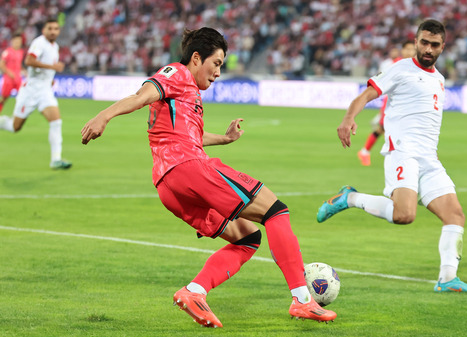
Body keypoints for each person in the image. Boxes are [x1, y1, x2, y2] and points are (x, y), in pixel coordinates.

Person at [81, 27, 336, 328]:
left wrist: (225, 139)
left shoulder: (187, 93)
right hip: (189, 169)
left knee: (247, 237)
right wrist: (104, 116)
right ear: (196, 58)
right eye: (216, 64)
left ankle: (194, 292)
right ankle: (303, 300)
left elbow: (188, 136)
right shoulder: (175, 73)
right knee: (276, 211)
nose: (217, 73)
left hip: (169, 185)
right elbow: (141, 95)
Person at [317, 19, 467, 293]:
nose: (428, 49)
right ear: (416, 42)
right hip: (403, 152)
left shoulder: (439, 79)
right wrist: (348, 118)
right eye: (424, 42)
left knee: (455, 215)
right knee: (404, 215)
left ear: (443, 47)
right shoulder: (400, 69)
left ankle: (447, 279)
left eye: (434, 44)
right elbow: (366, 95)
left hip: (429, 159)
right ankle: (349, 198)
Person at [0, 19, 71, 169]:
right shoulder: (39, 43)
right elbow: (29, 61)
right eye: (49, 28)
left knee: (56, 122)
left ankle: (55, 159)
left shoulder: (55, 46)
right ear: (44, 30)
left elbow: (46, 69)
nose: (53, 31)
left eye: (56, 29)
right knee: (15, 127)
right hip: (30, 92)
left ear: (58, 31)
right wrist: (52, 67)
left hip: (45, 91)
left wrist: (50, 79)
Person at [357, 41, 416, 166]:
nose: (410, 52)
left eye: (412, 49)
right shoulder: (395, 65)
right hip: (392, 102)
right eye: (408, 49)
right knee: (386, 128)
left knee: (385, 129)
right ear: (403, 51)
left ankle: (365, 151)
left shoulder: (417, 66)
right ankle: (366, 151)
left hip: (407, 106)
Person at [0, 34, 25, 114]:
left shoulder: (21, 52)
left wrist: (24, 71)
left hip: (18, 78)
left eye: (19, 41)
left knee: (22, 97)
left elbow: (19, 64)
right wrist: (9, 72)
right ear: (12, 41)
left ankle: (19, 116)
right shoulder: (7, 52)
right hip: (8, 79)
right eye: (16, 41)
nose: (18, 43)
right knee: (4, 98)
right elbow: (1, 64)